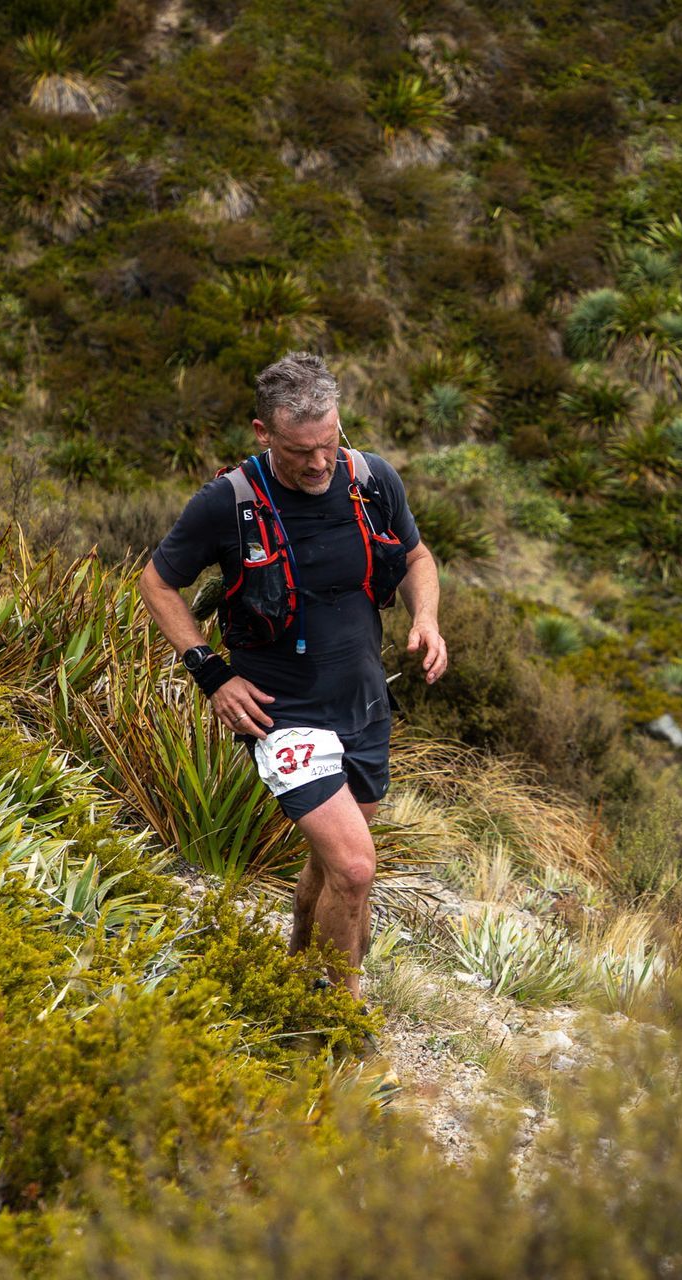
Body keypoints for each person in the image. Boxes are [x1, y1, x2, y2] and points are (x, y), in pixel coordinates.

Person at [137, 351, 448, 998]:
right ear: (262, 433)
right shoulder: (227, 504)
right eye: (298, 450)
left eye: (328, 445)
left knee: (331, 864)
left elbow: (417, 556)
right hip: (285, 715)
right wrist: (213, 674)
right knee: (357, 869)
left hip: (364, 708)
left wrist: (428, 621)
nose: (317, 464)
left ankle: (296, 976)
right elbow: (158, 584)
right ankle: (339, 1024)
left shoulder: (372, 479)